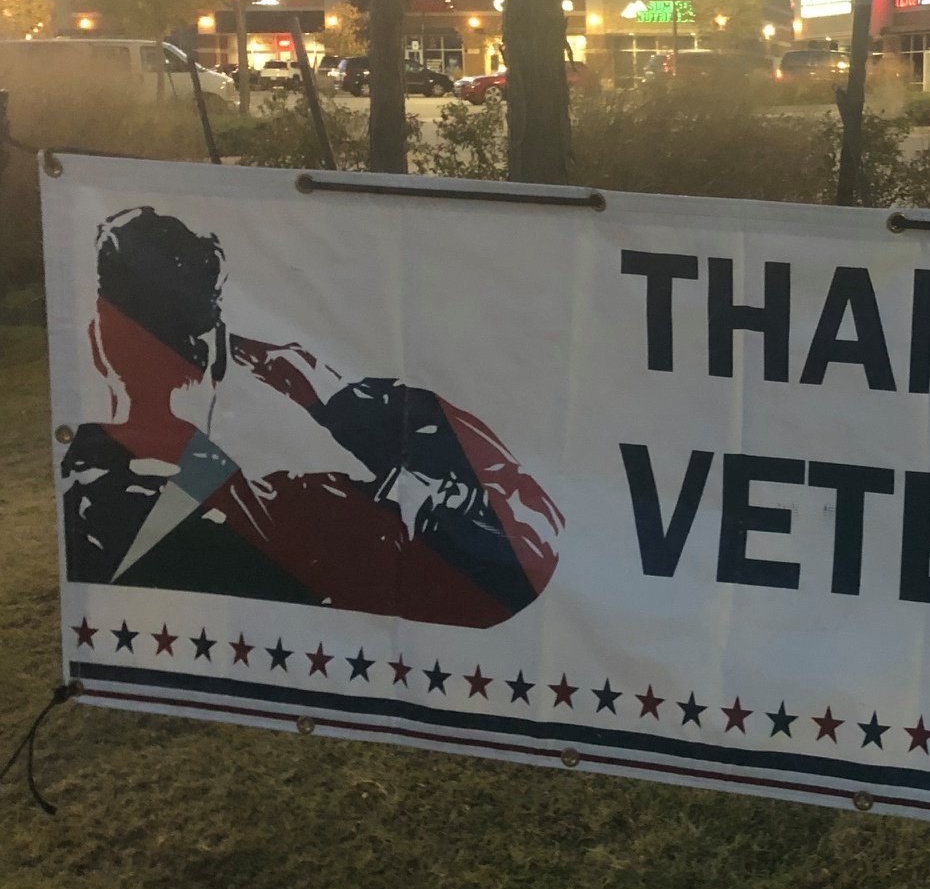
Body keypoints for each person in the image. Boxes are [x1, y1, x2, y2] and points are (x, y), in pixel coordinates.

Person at [60, 206, 562, 630]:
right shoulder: (287, 526)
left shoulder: (73, 497)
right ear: (215, 358)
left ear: (96, 344)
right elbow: (519, 557)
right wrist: (341, 397)